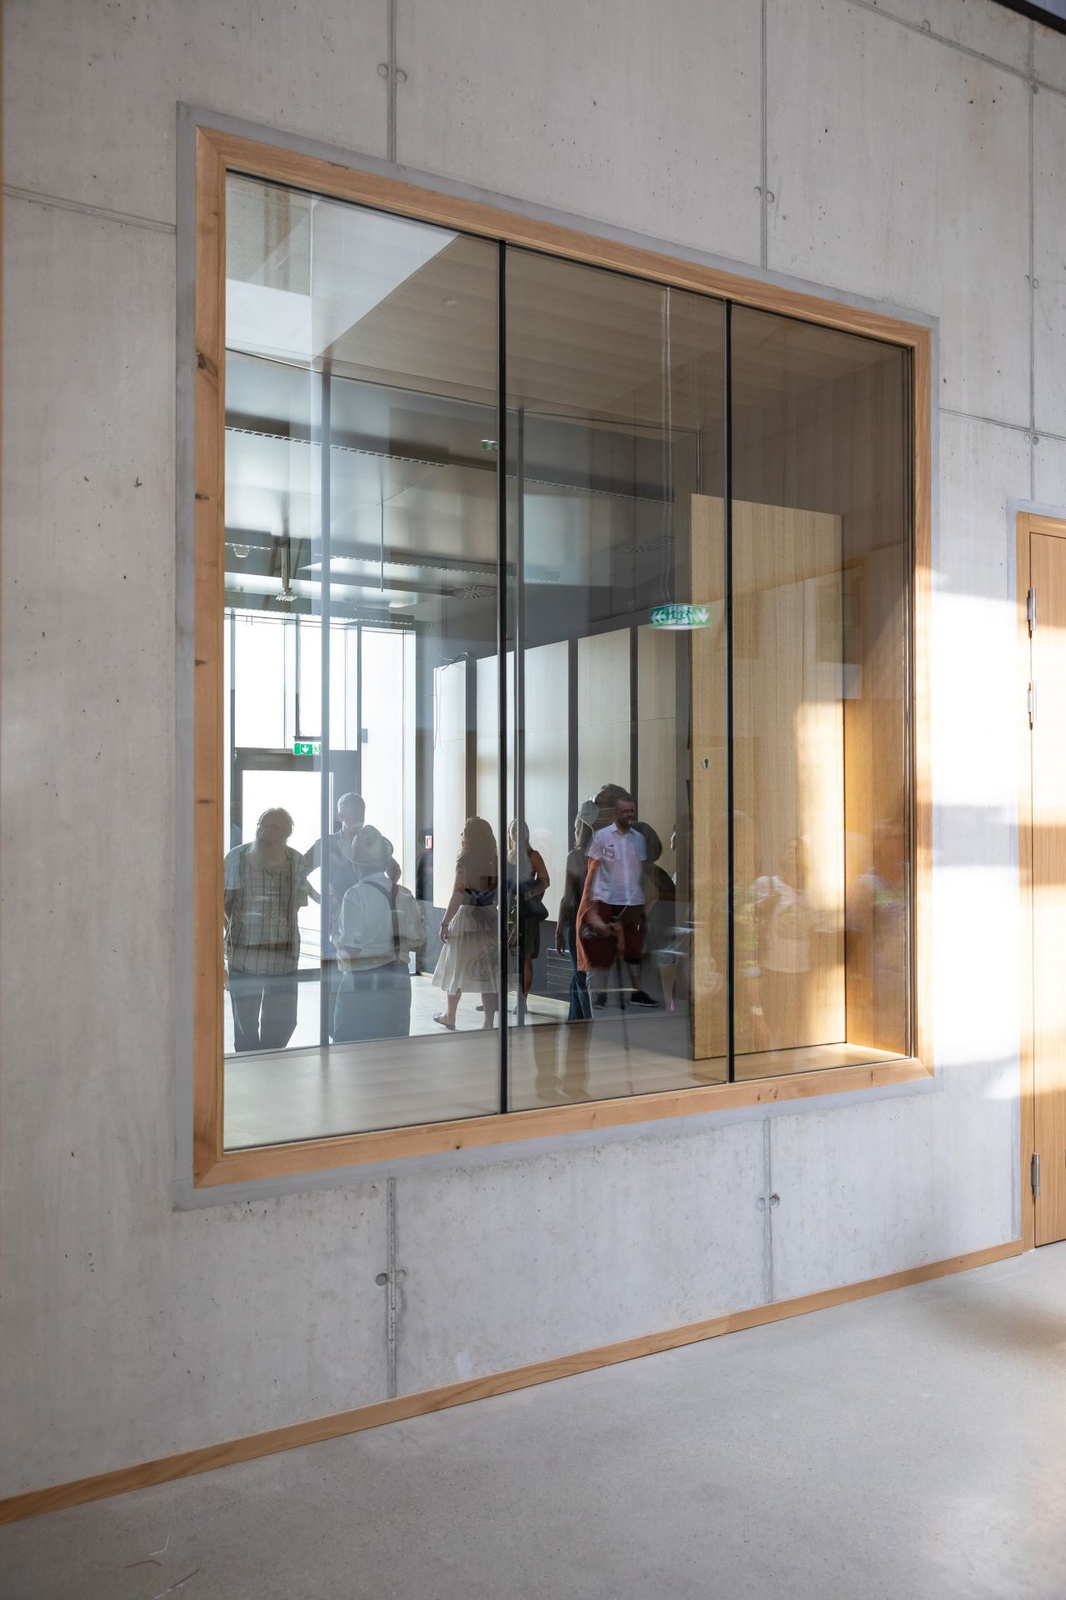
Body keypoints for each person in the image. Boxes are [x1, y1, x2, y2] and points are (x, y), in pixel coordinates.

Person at [224, 807, 310, 1052]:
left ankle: (272, 1061)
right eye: (262, 824)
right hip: (245, 955)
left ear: (287, 833)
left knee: (283, 1020)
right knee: (245, 1023)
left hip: (283, 956)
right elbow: (224, 903)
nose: (265, 831)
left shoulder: (296, 861)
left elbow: (296, 905)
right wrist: (239, 928)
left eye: (274, 827)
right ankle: (250, 1063)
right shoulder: (236, 858)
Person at [333, 827, 423, 1043]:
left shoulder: (355, 895)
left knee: (351, 1045)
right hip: (399, 977)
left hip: (364, 979)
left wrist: (335, 940)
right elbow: (417, 939)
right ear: (384, 863)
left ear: (355, 866)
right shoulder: (404, 894)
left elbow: (352, 948)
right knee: (393, 1045)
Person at [578, 794, 658, 1009]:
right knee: (604, 948)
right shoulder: (602, 838)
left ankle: (634, 991)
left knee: (630, 948)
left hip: (626, 902)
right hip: (607, 900)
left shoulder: (635, 841)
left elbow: (643, 880)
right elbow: (595, 873)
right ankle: (603, 993)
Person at [432, 818, 499, 1031]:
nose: (461, 835)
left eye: (464, 832)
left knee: (457, 967)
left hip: (467, 918)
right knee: (488, 971)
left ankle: (450, 1016)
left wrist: (445, 923)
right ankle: (488, 1022)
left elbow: (458, 894)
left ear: (469, 837)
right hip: (489, 917)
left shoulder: (464, 862)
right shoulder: (494, 860)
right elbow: (497, 895)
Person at [556, 802, 598, 1021]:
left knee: (581, 975)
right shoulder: (603, 853)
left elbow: (567, 897)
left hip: (577, 921)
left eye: (575, 829)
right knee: (580, 974)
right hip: (598, 920)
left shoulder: (575, 856)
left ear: (580, 830)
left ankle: (587, 1022)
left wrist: (558, 930)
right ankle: (574, 1019)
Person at [506, 819, 551, 1000]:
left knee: (525, 955)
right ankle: (499, 999)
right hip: (508, 908)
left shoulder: (533, 855)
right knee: (503, 953)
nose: (516, 833)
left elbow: (545, 880)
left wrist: (530, 894)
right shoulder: (507, 855)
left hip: (526, 910)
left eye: (519, 830)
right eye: (513, 830)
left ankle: (522, 999)